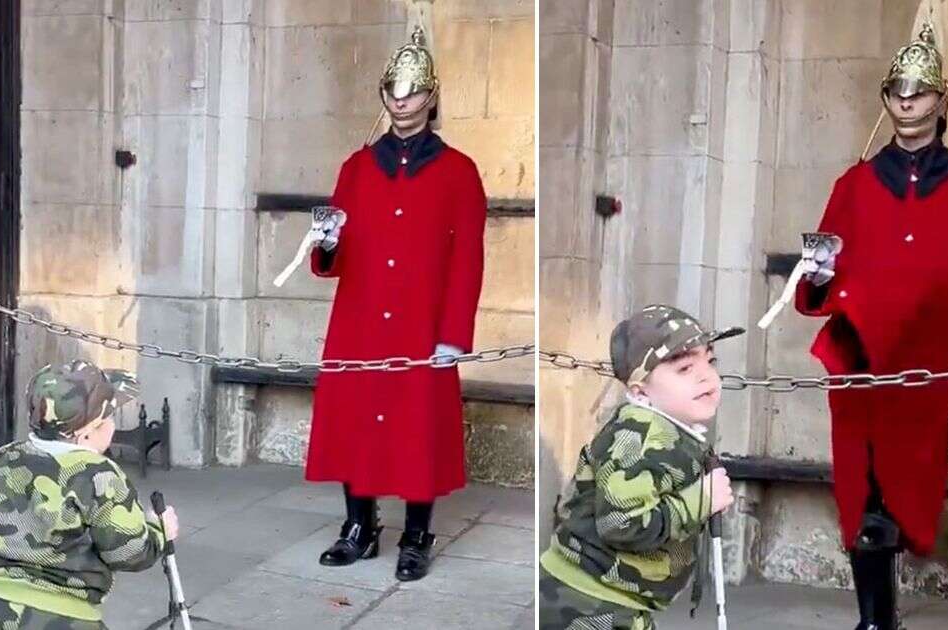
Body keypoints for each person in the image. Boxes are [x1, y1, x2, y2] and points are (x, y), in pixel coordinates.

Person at [795, 20, 948, 630]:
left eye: (919, 90)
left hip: (929, 361)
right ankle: (874, 619)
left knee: (903, 489)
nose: (907, 100)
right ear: (886, 100)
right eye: (896, 91)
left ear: (942, 100)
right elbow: (819, 279)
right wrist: (818, 275)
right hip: (859, 356)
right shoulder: (854, 183)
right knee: (861, 491)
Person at [304, 25, 487, 582]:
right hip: (360, 321)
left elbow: (468, 260)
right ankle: (358, 526)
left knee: (418, 430)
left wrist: (452, 334)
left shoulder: (460, 172)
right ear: (383, 95)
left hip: (421, 324)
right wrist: (328, 241)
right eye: (393, 91)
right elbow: (330, 255)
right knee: (355, 422)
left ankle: (416, 534)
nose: (402, 100)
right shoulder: (356, 168)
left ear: (430, 96)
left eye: (412, 91)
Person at [537, 304, 743, 629]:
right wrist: (701, 500)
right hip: (589, 603)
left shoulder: (668, 427)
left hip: (611, 597)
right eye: (684, 368)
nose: (706, 375)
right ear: (639, 388)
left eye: (710, 360)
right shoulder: (639, 435)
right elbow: (621, 522)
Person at [0, 360, 179, 629]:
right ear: (87, 434)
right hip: (65, 617)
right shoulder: (99, 475)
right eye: (109, 418)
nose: (112, 424)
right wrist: (158, 531)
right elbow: (126, 551)